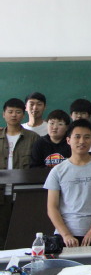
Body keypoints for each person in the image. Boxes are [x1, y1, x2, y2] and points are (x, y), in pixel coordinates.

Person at [44, 119, 91, 247]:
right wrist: (66, 235)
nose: (82, 141)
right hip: (65, 236)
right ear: (68, 140)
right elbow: (52, 207)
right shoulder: (57, 170)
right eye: (77, 137)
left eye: (87, 137)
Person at [0, 98, 39, 247]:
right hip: (1, 194)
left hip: (24, 194)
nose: (14, 115)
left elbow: (36, 167)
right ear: (3, 114)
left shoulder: (33, 138)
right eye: (10, 112)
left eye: (18, 112)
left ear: (23, 114)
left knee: (23, 235)